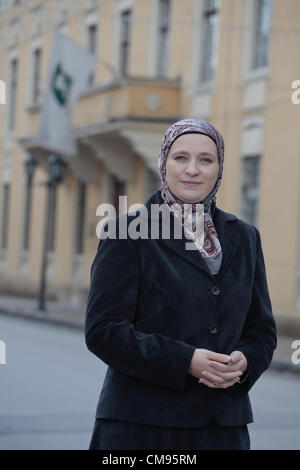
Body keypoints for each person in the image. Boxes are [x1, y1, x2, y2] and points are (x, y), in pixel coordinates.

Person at [85, 118, 277, 450]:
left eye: (206, 159)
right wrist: (185, 360)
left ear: (219, 169)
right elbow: (104, 330)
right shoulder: (127, 233)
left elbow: (261, 329)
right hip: (142, 428)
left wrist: (245, 362)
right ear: (163, 163)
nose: (193, 169)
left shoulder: (244, 237)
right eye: (180, 157)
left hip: (223, 428)